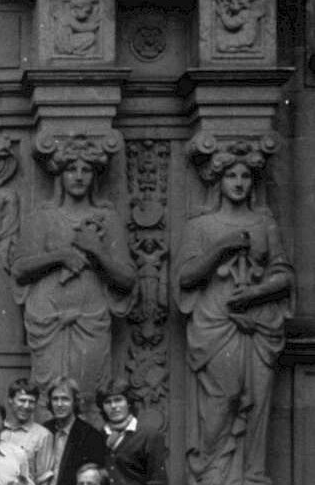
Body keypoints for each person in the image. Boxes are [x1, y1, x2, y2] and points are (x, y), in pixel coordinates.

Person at [174, 143, 293, 485]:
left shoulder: (263, 222)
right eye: (231, 175)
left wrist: (254, 293)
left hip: (257, 325)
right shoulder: (202, 225)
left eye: (245, 176)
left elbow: (284, 276)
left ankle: (251, 475)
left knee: (255, 402)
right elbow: (186, 276)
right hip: (215, 322)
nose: (239, 182)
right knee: (223, 399)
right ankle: (210, 472)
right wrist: (221, 248)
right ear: (219, 180)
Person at [11, 137, 135, 413]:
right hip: (48, 320)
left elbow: (126, 278)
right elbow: (20, 268)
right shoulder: (42, 218)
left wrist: (97, 251)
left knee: (89, 398)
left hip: (90, 319)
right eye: (71, 170)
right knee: (46, 396)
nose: (79, 176)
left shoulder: (107, 219)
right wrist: (61, 255)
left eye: (86, 170)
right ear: (59, 174)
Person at [95, 380, 166, 485]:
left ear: (128, 403)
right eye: (108, 402)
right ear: (102, 407)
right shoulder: (97, 437)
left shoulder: (149, 435)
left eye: (118, 400)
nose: (113, 406)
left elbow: (158, 480)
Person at [43, 377, 106, 485]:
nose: (59, 404)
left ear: (75, 402)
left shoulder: (90, 436)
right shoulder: (44, 430)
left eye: (65, 399)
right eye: (55, 399)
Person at [1, 378, 54, 485]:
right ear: (10, 400)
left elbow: (43, 480)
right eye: (22, 400)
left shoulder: (43, 436)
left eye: (31, 402)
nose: (26, 406)